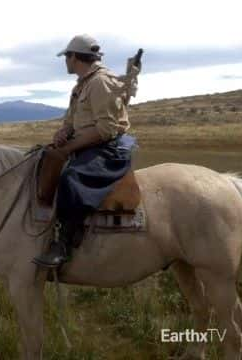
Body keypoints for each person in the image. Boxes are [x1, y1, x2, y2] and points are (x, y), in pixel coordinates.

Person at [32, 34, 138, 268]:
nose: (65, 61)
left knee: (72, 179)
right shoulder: (82, 84)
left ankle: (64, 243)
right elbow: (74, 120)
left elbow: (106, 129)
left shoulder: (100, 82)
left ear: (75, 57)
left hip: (108, 148)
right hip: (90, 142)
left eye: (66, 56)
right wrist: (64, 132)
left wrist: (71, 146)